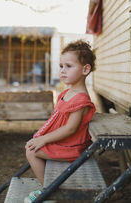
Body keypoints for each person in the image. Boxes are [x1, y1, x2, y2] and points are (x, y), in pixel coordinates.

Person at [24, 40, 96, 203]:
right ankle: (49, 187)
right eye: (61, 66)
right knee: (32, 145)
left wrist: (43, 139)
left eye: (68, 66)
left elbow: (70, 129)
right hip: (65, 143)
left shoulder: (80, 99)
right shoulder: (67, 92)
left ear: (85, 69)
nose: (63, 71)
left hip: (72, 147)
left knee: (31, 151)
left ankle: (49, 192)